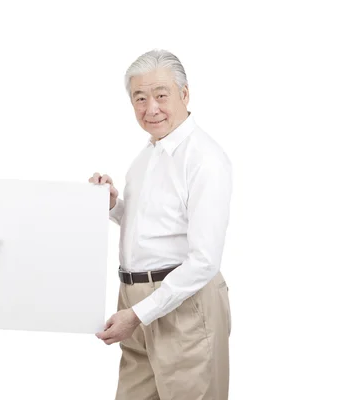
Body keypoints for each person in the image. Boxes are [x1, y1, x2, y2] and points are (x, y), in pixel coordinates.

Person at [91, 49, 233, 399]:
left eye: (160, 95)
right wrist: (112, 206)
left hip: (183, 303)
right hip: (135, 300)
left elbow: (204, 261)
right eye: (140, 98)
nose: (150, 108)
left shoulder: (205, 159)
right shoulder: (146, 156)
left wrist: (138, 314)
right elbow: (150, 226)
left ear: (184, 94)